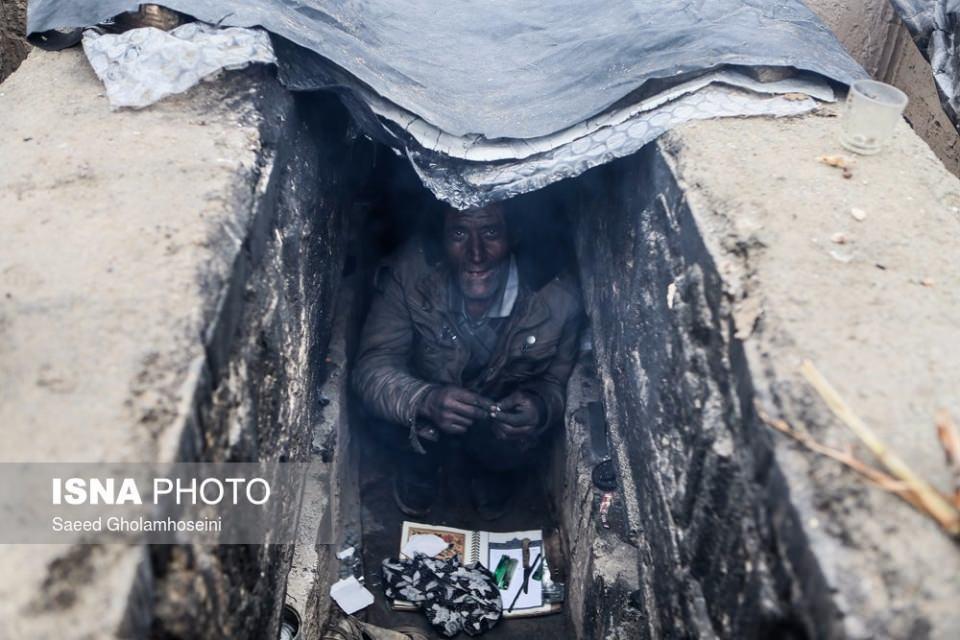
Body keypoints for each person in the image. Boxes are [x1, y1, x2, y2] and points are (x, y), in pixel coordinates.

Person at [352, 203, 583, 519]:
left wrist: (540, 405)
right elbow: (372, 366)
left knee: (514, 444)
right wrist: (424, 399)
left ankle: (493, 472)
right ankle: (421, 469)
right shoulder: (411, 273)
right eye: (459, 233)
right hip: (429, 414)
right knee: (389, 413)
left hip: (495, 421)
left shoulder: (559, 297)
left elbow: (556, 381)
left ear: (512, 236)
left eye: (490, 232)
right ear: (443, 238)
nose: (476, 253)